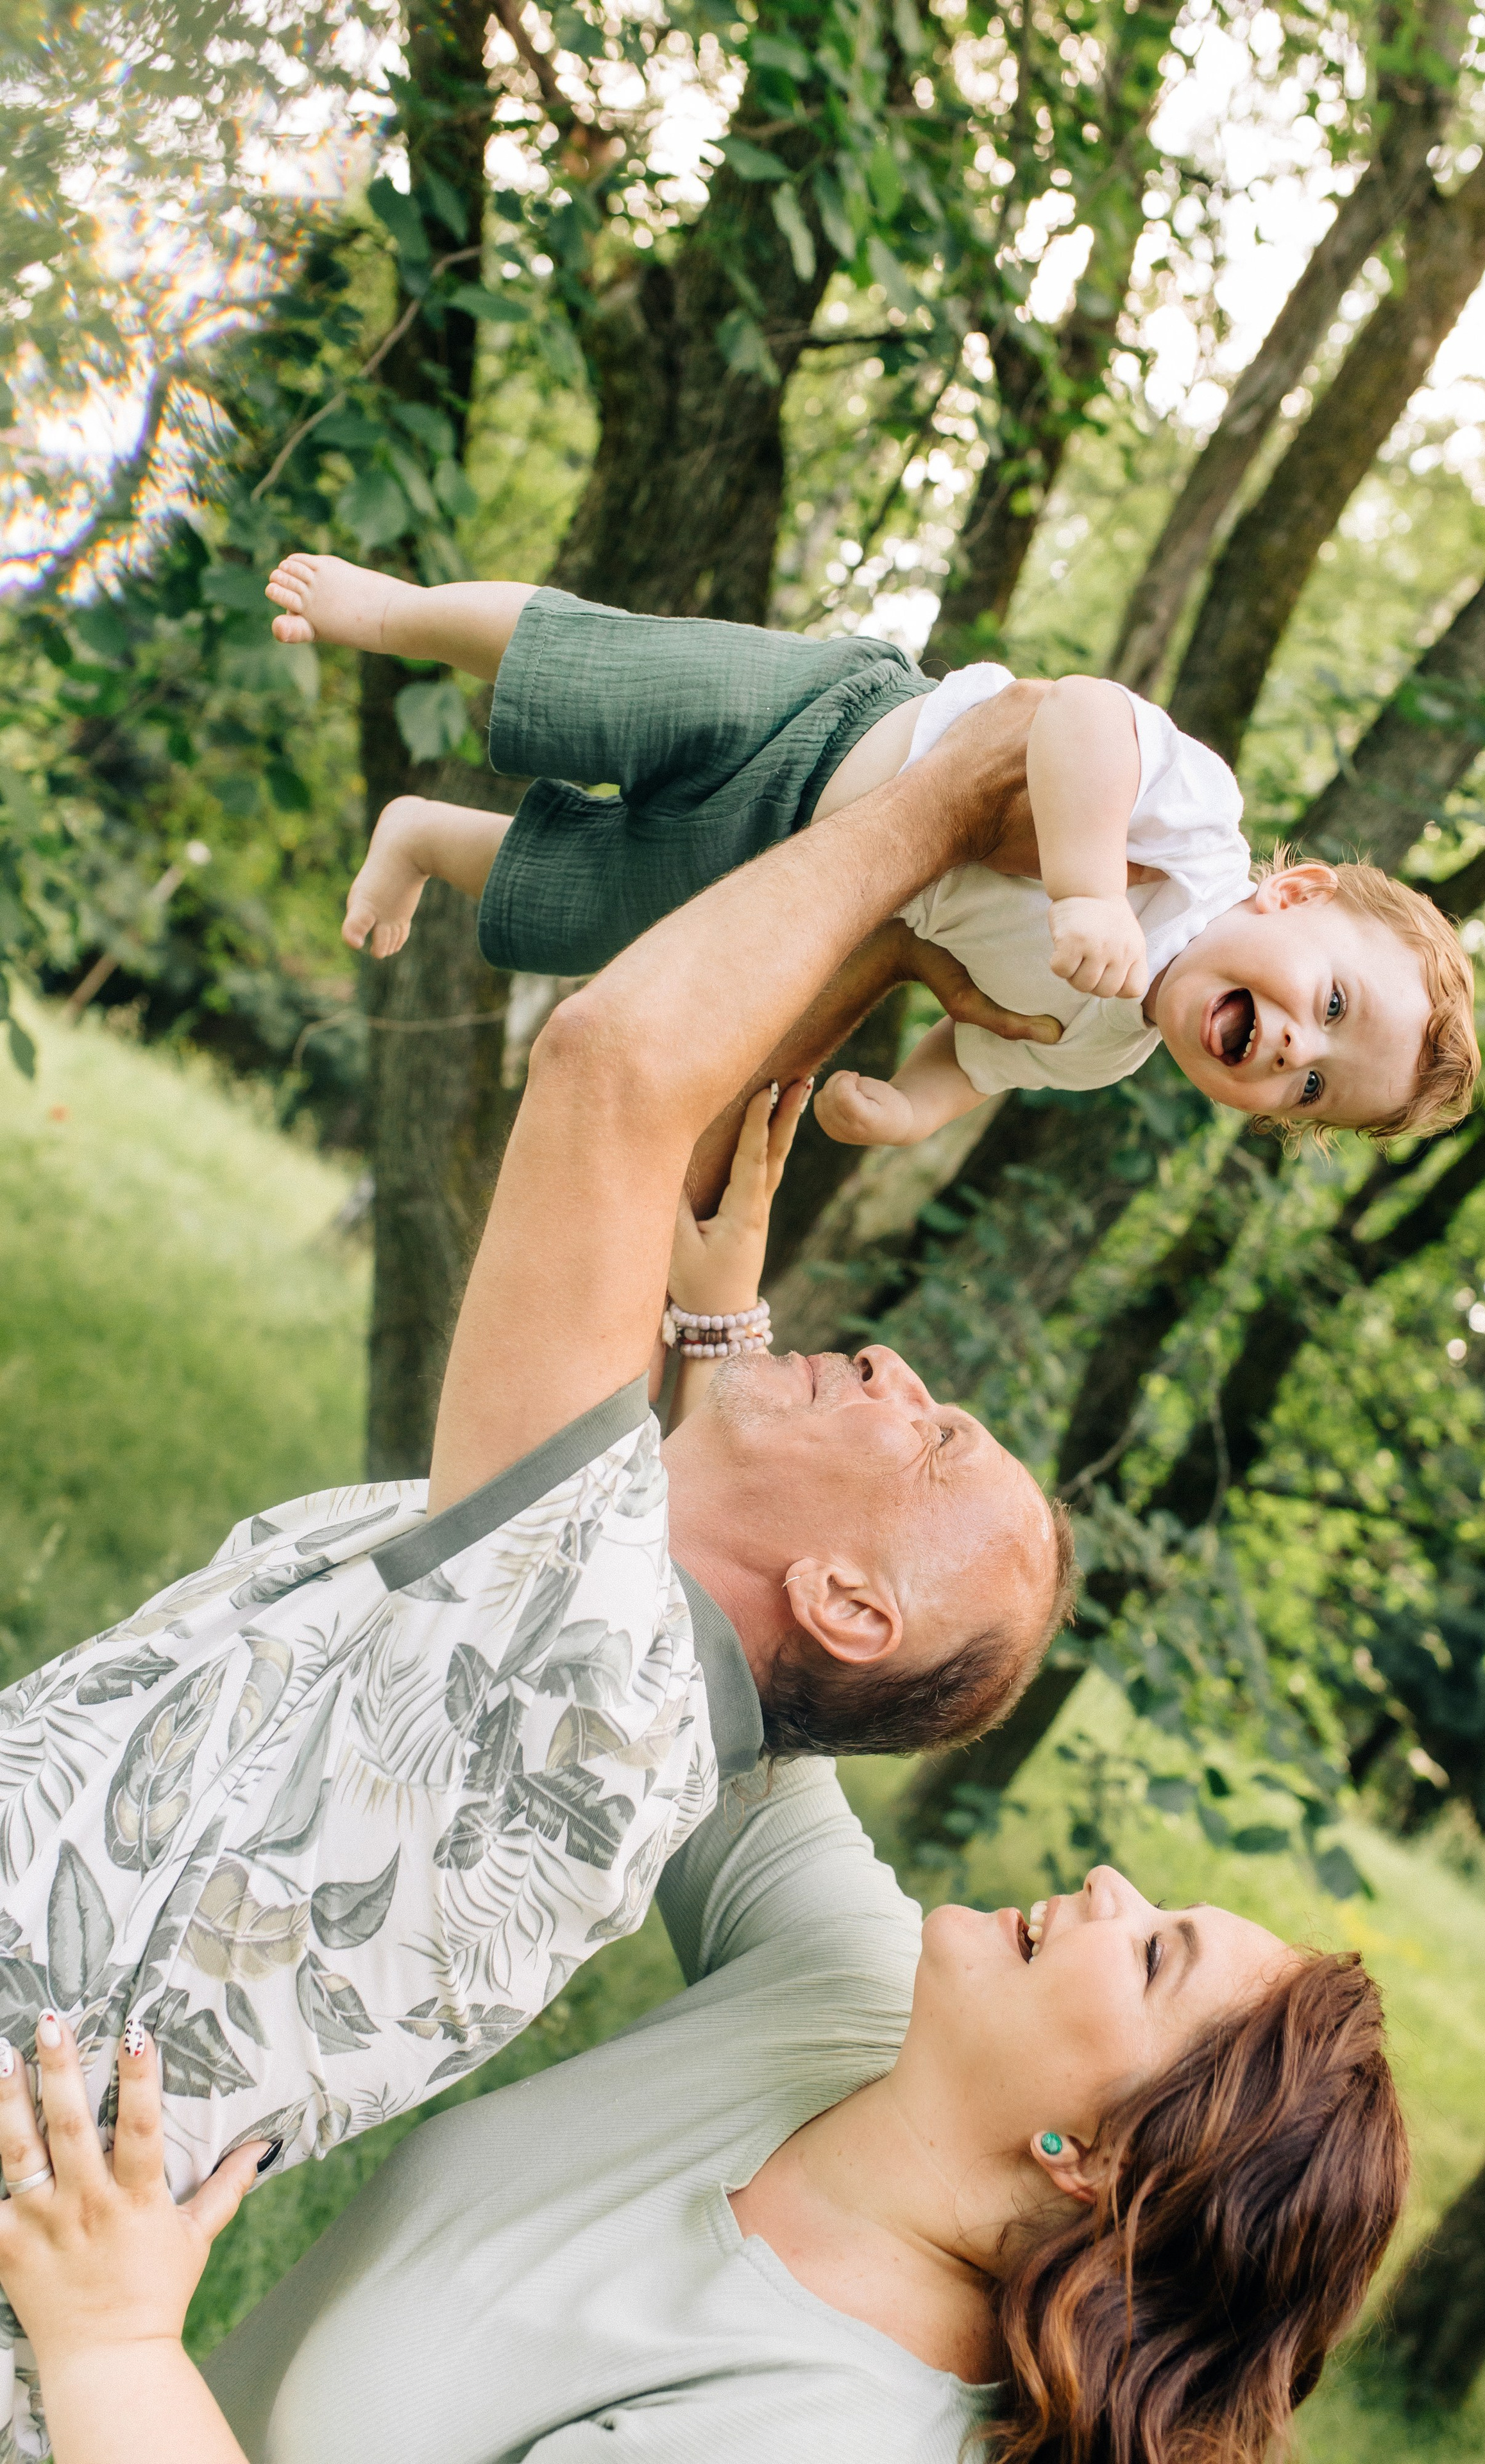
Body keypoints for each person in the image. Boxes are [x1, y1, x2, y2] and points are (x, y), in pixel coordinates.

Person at [0, 678, 1071, 2451]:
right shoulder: (611, 1663)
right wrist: (736, 1329)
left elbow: (613, 1066)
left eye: (934, 1435)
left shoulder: (598, 1680)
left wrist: (948, 805)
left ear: (850, 1607)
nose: (895, 1371)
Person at [0, 1763, 1409, 2464]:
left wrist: (110, 2335)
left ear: (1099, 2163)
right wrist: (725, 1320)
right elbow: (733, 1684)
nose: (1108, 1885)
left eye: (1153, 1954)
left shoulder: (812, 2433)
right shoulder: (862, 2006)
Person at [264, 555, 1481, 1146]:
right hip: (836, 721)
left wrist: (912, 1108)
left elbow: (983, 1051)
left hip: (795, 881)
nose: (1289, 1043)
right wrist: (1086, 887)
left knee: (600, 909)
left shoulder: (1108, 1052)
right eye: (1329, 1001)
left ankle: (423, 834)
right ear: (1297, 892)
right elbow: (1079, 718)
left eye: (1311, 1083)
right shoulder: (1198, 835)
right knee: (611, 675)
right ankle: (398, 613)